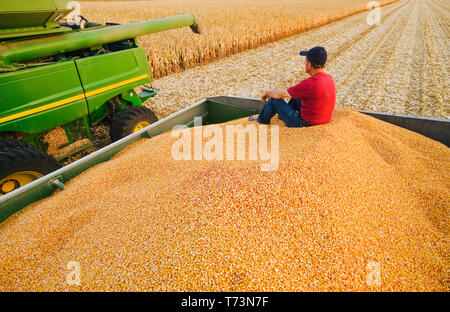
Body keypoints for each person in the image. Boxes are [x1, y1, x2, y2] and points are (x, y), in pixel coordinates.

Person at [254, 46, 336, 127]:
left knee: (274, 101)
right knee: (297, 94)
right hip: (322, 119)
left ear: (309, 64)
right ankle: (284, 115)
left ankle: (261, 120)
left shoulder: (309, 84)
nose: (304, 63)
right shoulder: (329, 78)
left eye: (305, 61)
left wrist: (266, 93)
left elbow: (278, 94)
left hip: (304, 123)